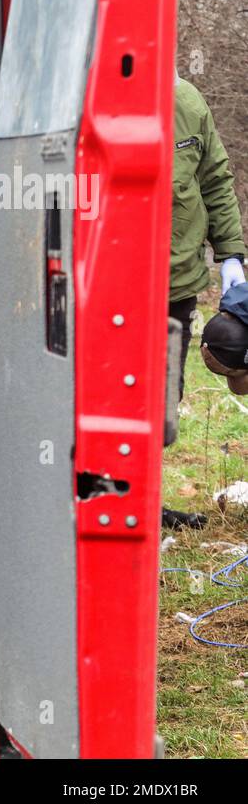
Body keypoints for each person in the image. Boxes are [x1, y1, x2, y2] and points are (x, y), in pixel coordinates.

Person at [164, 74, 246, 529]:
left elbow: (214, 179)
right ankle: (97, 502)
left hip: (174, 282)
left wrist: (231, 254)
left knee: (162, 400)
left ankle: (140, 504)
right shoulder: (82, 94)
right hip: (102, 284)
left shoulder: (186, 100)